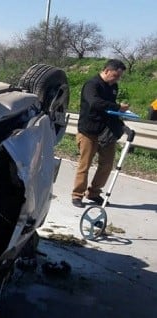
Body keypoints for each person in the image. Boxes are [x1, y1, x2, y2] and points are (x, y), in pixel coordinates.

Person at [71, 59, 129, 208]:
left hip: (106, 132)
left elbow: (109, 108)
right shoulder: (92, 84)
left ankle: (94, 193)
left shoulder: (113, 87)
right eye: (115, 75)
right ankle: (77, 195)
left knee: (107, 164)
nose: (117, 79)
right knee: (85, 165)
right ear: (107, 70)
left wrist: (120, 113)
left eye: (119, 76)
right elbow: (95, 103)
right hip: (88, 131)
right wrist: (117, 107)